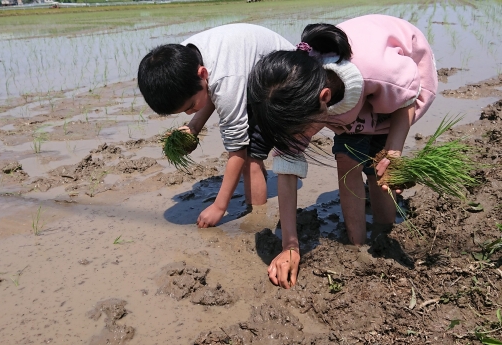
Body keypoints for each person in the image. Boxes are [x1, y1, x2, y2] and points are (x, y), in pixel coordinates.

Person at [247, 14, 438, 288]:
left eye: (299, 130)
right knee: (346, 157)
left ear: (324, 99)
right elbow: (287, 167)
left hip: (400, 90)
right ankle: (357, 242)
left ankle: (384, 231)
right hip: (344, 100)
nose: (297, 139)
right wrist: (290, 245)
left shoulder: (379, 72)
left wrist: (394, 150)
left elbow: (405, 102)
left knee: (379, 166)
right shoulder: (296, 90)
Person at [138, 23, 294, 228]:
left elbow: (237, 148)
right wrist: (193, 127)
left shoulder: (225, 80)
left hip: (286, 81)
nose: (189, 113)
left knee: (250, 157)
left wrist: (220, 206)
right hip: (250, 76)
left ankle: (257, 219)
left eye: (191, 106)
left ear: (202, 74)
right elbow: (209, 89)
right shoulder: (182, 59)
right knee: (249, 148)